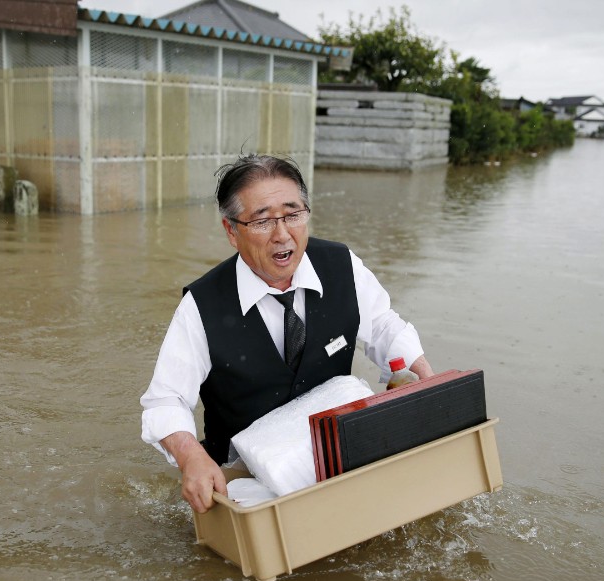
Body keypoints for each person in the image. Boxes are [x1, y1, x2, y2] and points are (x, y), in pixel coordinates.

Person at [140, 154, 434, 513]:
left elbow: (384, 325)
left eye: (293, 215)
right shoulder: (201, 306)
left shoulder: (341, 266)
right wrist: (191, 458)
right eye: (262, 221)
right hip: (245, 477)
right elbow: (166, 399)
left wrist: (419, 373)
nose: (282, 235)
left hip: (333, 455)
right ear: (231, 231)